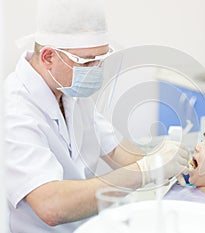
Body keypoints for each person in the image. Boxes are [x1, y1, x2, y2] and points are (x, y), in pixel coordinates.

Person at [4, 0, 189, 232]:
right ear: (49, 57)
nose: (95, 70)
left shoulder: (69, 90)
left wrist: (162, 163)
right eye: (87, 61)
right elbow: (51, 205)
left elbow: (115, 149)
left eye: (100, 59)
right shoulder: (13, 110)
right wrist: (145, 170)